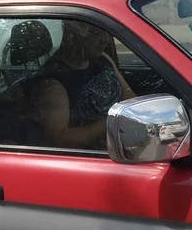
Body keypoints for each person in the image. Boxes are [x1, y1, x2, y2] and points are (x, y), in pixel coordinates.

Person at [32, 21, 135, 149]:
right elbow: (59, 138)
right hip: (96, 156)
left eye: (106, 33)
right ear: (72, 34)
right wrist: (113, 121)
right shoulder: (53, 83)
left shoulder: (102, 59)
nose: (105, 40)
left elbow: (127, 93)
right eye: (96, 33)